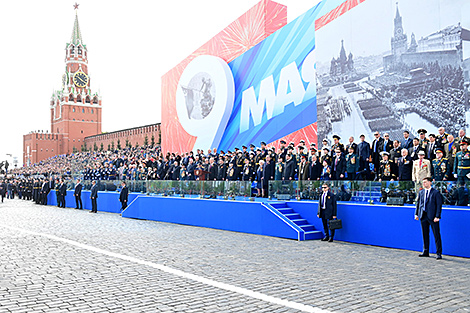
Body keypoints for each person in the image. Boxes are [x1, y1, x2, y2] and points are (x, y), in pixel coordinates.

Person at [414, 177, 443, 259]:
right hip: (423, 215)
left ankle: (439, 252)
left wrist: (437, 216)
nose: (424, 184)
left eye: (425, 182)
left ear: (430, 182)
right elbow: (419, 204)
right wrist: (416, 214)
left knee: (436, 234)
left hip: (433, 216)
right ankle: (425, 251)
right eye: (423, 182)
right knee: (425, 234)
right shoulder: (421, 192)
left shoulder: (436, 193)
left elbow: (439, 205)